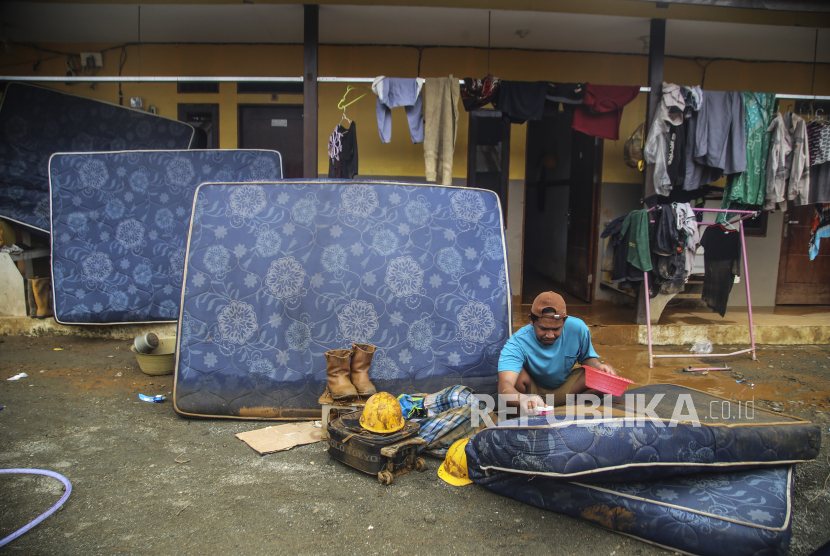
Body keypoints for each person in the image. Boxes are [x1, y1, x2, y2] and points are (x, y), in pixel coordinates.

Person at [497, 291, 621, 414]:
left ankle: (568, 412)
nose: (550, 335)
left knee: (604, 378)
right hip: (532, 392)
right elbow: (505, 384)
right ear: (531, 320)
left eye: (556, 329)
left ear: (565, 320)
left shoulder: (578, 329)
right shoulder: (517, 342)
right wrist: (522, 399)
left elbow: (588, 359)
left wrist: (599, 366)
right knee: (515, 380)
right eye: (543, 328)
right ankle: (528, 415)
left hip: (566, 388)